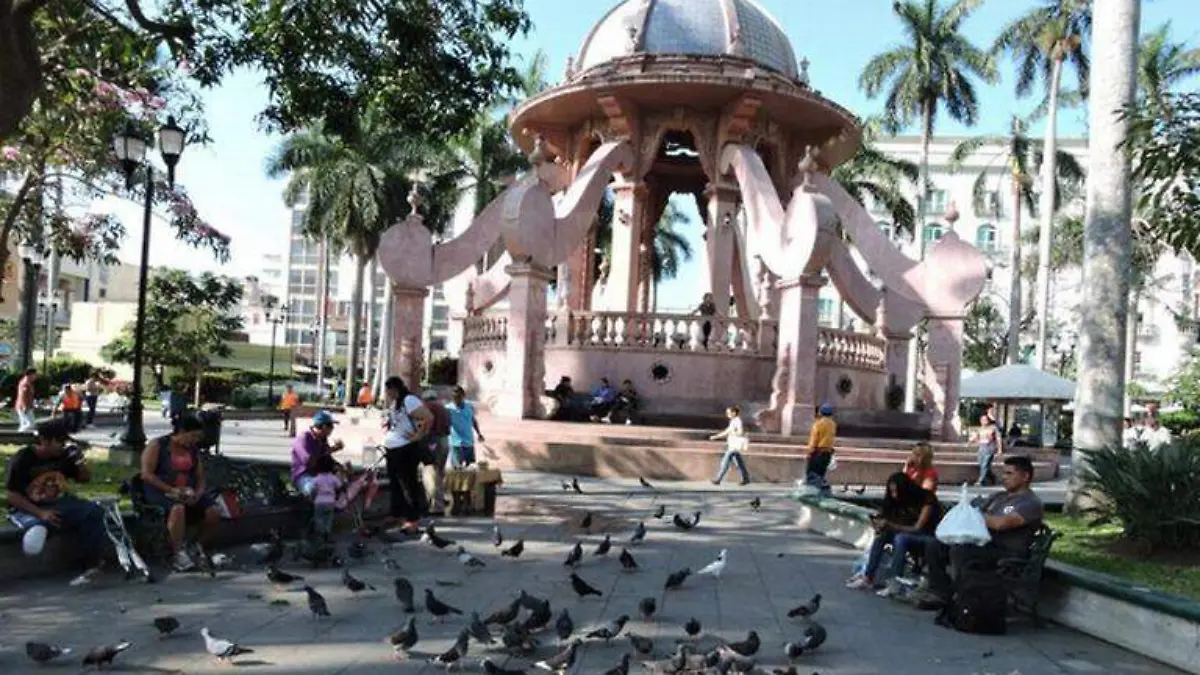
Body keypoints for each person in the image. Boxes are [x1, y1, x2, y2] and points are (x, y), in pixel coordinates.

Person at [919, 456, 1044, 609]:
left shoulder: (1030, 503)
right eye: (1003, 473)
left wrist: (974, 515)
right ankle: (939, 593)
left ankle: (963, 598)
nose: (1004, 477)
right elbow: (977, 513)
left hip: (1006, 552)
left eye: (1009, 474)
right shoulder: (998, 497)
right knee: (936, 545)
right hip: (982, 543)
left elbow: (1001, 524)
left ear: (1025, 476)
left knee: (961, 551)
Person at [5, 417, 106, 586]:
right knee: (36, 535)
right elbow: (12, 495)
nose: (62, 445)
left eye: (64, 441)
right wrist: (40, 514)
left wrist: (80, 462)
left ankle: (92, 566)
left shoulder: (64, 456)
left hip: (59, 503)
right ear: (44, 440)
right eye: (58, 441)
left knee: (94, 512)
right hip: (29, 507)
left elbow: (85, 478)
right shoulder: (23, 458)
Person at [139, 414, 222, 572]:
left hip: (187, 492)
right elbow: (146, 474)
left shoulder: (192, 450)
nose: (195, 440)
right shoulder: (158, 445)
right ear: (182, 432)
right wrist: (171, 490)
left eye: (198, 437)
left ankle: (195, 544)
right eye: (193, 436)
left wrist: (197, 493)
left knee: (214, 511)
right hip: (161, 491)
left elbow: (200, 477)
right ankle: (176, 554)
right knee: (177, 509)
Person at [845, 472, 941, 596]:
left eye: (897, 492)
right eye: (892, 492)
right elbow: (889, 517)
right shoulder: (895, 501)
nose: (894, 496)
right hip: (905, 532)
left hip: (927, 535)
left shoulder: (926, 498)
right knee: (882, 537)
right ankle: (867, 578)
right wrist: (879, 524)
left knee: (901, 538)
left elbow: (918, 528)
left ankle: (894, 582)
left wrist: (891, 525)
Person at [382, 376, 433, 533]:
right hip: (393, 448)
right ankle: (398, 514)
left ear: (395, 389)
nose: (387, 393)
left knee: (408, 484)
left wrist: (418, 435)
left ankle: (413, 519)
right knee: (395, 483)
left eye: (389, 390)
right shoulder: (395, 403)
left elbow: (428, 417)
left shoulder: (409, 400)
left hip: (406, 449)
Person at [290, 410, 345, 497]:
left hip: (319, 475)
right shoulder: (304, 438)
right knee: (315, 489)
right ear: (323, 427)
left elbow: (326, 460)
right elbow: (309, 461)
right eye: (331, 427)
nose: (332, 430)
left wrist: (340, 467)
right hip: (304, 476)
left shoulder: (322, 439)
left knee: (341, 485)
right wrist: (331, 449)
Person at [422, 392, 452, 515]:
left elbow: (426, 426)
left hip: (434, 441)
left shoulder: (428, 407)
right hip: (445, 440)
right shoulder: (444, 408)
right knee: (439, 473)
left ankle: (436, 506)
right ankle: (439, 501)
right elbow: (449, 425)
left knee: (431, 474)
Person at [710, 406, 750, 485]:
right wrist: (716, 436)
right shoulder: (733, 421)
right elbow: (727, 431)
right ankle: (745, 478)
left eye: (729, 412)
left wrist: (732, 433)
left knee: (725, 461)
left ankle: (718, 479)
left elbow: (740, 432)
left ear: (734, 413)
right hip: (733, 445)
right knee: (739, 463)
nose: (727, 414)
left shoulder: (738, 421)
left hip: (735, 446)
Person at [446, 386, 484, 468]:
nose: (456, 399)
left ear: (463, 396)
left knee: (471, 467)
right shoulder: (448, 408)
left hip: (469, 442)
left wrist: (479, 433)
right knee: (457, 469)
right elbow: (445, 423)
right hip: (456, 443)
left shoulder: (469, 406)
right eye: (454, 397)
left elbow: (473, 420)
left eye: (458, 397)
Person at [309, 454, 343, 542]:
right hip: (330, 502)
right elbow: (339, 486)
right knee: (328, 519)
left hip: (319, 502)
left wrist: (312, 499)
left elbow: (313, 491)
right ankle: (327, 535)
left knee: (319, 519)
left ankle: (320, 536)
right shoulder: (333, 478)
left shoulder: (316, 479)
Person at [805, 404, 837, 493]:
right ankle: (821, 490)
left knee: (812, 474)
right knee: (821, 473)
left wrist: (810, 452)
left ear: (820, 413)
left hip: (818, 452)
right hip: (827, 453)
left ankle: (812, 492)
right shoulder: (832, 424)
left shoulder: (818, 424)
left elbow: (814, 439)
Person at [974, 414, 1002, 486]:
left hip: (990, 448)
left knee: (985, 465)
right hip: (981, 448)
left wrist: (999, 449)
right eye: (982, 420)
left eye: (985, 419)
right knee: (983, 465)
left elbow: (998, 438)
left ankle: (980, 480)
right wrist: (973, 441)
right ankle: (992, 478)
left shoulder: (993, 428)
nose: (984, 421)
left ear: (988, 420)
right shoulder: (979, 429)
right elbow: (976, 437)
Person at [15, 367, 37, 432]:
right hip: (24, 407)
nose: (36, 376)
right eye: (35, 375)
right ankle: (18, 434)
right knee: (31, 424)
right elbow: (22, 395)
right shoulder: (25, 383)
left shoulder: (28, 383)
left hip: (25, 407)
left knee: (24, 424)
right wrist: (25, 406)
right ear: (30, 374)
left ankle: (20, 438)